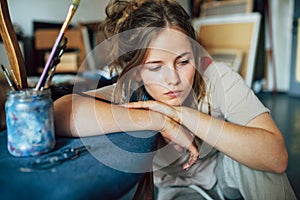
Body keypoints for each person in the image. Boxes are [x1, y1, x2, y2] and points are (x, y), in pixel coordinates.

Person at [54, 0, 297, 199]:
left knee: (260, 165)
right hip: (179, 189)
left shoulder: (217, 76)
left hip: (225, 172)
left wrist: (184, 115)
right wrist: (161, 121)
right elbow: (59, 113)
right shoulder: (128, 91)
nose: (173, 79)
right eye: (156, 67)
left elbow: (276, 157)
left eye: (183, 62)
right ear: (137, 71)